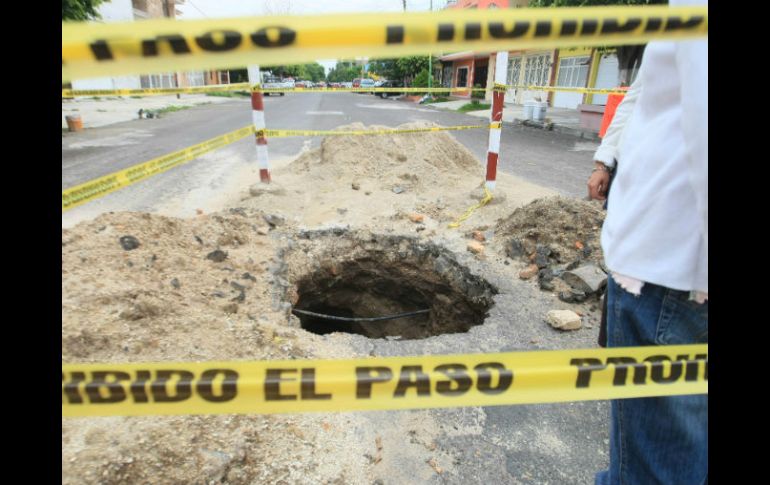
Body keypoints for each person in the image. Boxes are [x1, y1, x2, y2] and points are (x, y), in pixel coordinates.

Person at [586, 0, 708, 483]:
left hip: (670, 271)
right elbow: (643, 94)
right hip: (663, 265)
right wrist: (605, 158)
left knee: (654, 462)